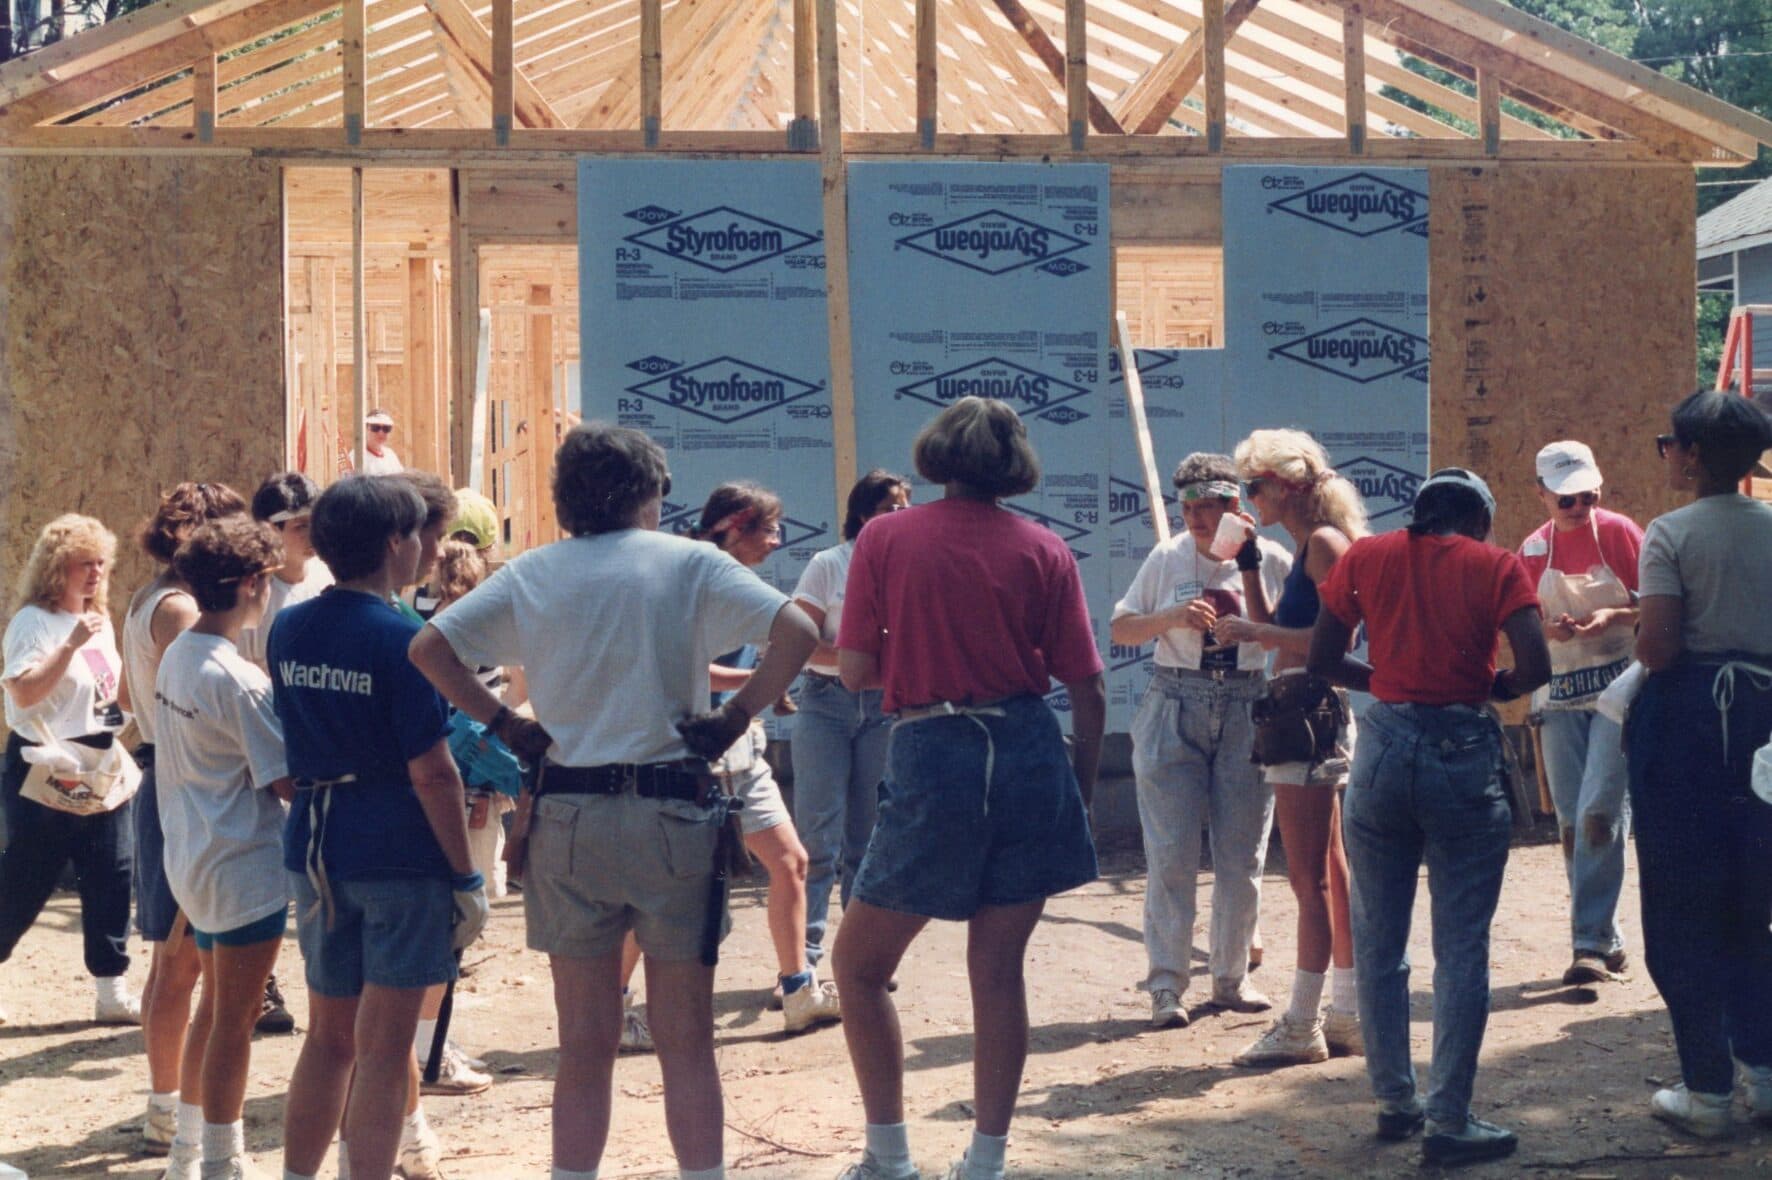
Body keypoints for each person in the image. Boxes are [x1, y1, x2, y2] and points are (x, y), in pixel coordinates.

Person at [410, 421, 818, 1180]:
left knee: (584, 1042)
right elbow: (797, 627)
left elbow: (429, 648)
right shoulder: (690, 564)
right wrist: (736, 717)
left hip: (568, 816)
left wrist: (505, 724)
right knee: (687, 1037)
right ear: (650, 495)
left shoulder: (534, 573)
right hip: (671, 811)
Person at [832, 397, 1104, 1180]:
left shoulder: (885, 536)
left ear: (937, 455)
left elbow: (854, 669)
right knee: (998, 970)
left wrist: (918, 663)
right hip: (1027, 752)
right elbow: (1087, 689)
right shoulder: (1045, 548)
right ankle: (985, 1160)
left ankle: (889, 1155)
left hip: (934, 750)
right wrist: (1079, 793)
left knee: (857, 967)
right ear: (1012, 462)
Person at [1308, 468, 1549, 1167]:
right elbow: (1533, 665)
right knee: (1462, 946)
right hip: (1462, 750)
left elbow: (1325, 656)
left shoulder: (1367, 556)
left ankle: (1394, 1102)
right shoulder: (1495, 564)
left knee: (1380, 943)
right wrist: (1488, 686)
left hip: (1382, 751)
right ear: (1477, 521)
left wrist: (1383, 681)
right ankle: (1449, 1119)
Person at [272, 475, 488, 1180]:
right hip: (397, 849)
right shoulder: (406, 639)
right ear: (395, 542)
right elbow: (432, 772)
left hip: (317, 844)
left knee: (328, 1039)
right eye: (418, 535)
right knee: (386, 1047)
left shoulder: (289, 625)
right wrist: (465, 876)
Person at [1629, 391, 1772, 1138]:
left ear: (1688, 453)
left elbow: (1657, 648)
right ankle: (1768, 1070)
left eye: (1669, 444)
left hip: (1688, 730)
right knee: (1755, 901)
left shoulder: (1670, 533)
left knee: (1683, 907)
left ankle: (1708, 1091)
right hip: (1767, 732)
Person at [1109, 453, 1290, 1028]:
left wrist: (1256, 630)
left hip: (1246, 702)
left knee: (1242, 856)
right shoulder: (1168, 557)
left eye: (1207, 507)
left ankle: (1231, 979)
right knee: (1171, 856)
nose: (1195, 518)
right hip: (1176, 699)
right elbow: (1120, 627)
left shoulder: (1274, 559)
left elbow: (1296, 637)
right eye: (1186, 507)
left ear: (1235, 506)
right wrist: (1169, 618)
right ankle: (1166, 984)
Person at [1216, 431, 1367, 1066]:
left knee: (1309, 877)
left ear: (1285, 486)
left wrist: (1253, 628)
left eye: (1253, 487)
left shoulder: (1325, 545)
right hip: (1302, 708)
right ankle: (1347, 1013)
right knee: (1326, 870)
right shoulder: (1309, 545)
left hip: (1309, 711)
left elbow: (1328, 640)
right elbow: (1279, 632)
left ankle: (1305, 1021)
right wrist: (1249, 565)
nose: (1248, 499)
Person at [154, 517, 294, 1180]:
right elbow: (288, 779)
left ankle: (188, 1154)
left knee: (215, 1013)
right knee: (232, 1022)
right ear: (249, 585)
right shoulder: (239, 681)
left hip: (195, 858)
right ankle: (221, 1162)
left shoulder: (181, 653)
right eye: (265, 580)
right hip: (242, 866)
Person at [121, 481, 250, 1158]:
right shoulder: (176, 608)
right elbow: (190, 700)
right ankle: (170, 1107)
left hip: (165, 779)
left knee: (177, 963)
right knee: (181, 965)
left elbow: (125, 696)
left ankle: (165, 1103)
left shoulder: (150, 598)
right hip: (183, 786)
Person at [692, 482, 842, 1034]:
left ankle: (799, 988)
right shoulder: (697, 576)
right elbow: (687, 668)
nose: (778, 542)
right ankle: (613, 1005)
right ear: (735, 525)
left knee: (790, 862)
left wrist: (759, 689)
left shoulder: (732, 577)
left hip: (735, 749)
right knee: (677, 888)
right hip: (690, 753)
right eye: (769, 530)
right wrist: (761, 679)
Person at [0, 513, 138, 1029]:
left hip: (100, 762)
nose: (96, 573)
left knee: (113, 871)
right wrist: (70, 645)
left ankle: (112, 990)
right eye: (86, 564)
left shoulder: (99, 621)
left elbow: (110, 695)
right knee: (26, 878)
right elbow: (24, 692)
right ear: (58, 568)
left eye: (102, 562)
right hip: (46, 764)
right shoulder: (35, 623)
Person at [1516, 441, 1641, 986]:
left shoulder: (1619, 532)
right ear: (1541, 494)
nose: (1577, 506)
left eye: (1586, 494)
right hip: (1559, 696)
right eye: (1565, 497)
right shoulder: (1532, 549)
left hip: (1618, 692)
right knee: (1571, 822)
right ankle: (1604, 937)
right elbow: (1522, 619)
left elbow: (1654, 603)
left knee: (1600, 813)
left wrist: (1614, 613)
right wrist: (1547, 629)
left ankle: (1586, 942)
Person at [790, 470, 910, 974]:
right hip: (825, 704)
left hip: (883, 708)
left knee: (869, 839)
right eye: (891, 507)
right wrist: (854, 659)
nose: (902, 515)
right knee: (818, 839)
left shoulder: (911, 566)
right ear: (863, 514)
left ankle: (861, 964)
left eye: (907, 505)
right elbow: (796, 638)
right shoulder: (829, 564)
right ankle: (803, 963)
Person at [361, 409, 404, 475]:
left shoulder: (390, 455)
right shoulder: (357, 458)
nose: (381, 433)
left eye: (386, 428)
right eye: (375, 427)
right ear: (365, 429)